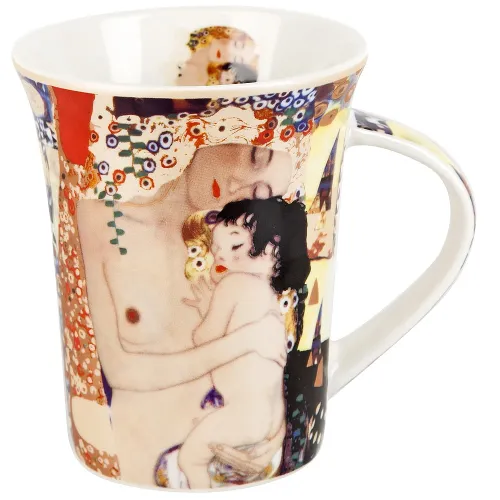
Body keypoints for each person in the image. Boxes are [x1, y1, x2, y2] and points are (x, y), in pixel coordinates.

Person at [76, 143, 294, 485]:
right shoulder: (103, 217)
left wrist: (273, 427)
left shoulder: (236, 255)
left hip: (237, 456)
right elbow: (120, 371)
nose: (238, 185)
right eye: (255, 157)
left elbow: (268, 352)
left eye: (258, 193)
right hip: (138, 468)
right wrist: (243, 342)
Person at [177, 198, 310, 489]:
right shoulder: (269, 300)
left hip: (244, 414)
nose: (221, 256)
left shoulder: (233, 284)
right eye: (216, 248)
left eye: (235, 246)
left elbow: (203, 339)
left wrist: (207, 311)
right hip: (270, 416)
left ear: (272, 252)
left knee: (189, 459)